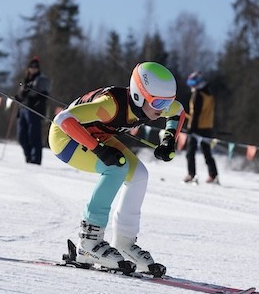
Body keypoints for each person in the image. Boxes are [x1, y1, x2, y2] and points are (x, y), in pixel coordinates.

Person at [49, 62, 185, 276]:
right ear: (139, 96)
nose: (162, 109)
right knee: (116, 168)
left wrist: (169, 140)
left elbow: (179, 112)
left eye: (166, 103)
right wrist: (98, 150)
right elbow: (62, 119)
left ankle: (124, 243)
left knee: (139, 175)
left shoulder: (156, 105)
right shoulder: (111, 105)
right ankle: (89, 243)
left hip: (98, 136)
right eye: (158, 102)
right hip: (66, 138)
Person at [183, 71, 219, 184]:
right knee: (207, 153)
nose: (191, 87)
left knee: (190, 152)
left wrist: (191, 128)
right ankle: (213, 175)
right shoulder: (209, 94)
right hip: (207, 127)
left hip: (196, 127)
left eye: (193, 84)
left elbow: (196, 113)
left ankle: (191, 174)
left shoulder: (198, 94)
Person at [16, 57, 50, 164]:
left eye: (36, 67)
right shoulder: (25, 79)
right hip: (23, 109)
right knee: (22, 136)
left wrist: (35, 101)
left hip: (34, 110)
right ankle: (28, 157)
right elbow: (21, 95)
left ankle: (35, 160)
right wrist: (19, 96)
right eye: (31, 67)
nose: (33, 69)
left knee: (33, 136)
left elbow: (43, 95)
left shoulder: (41, 79)